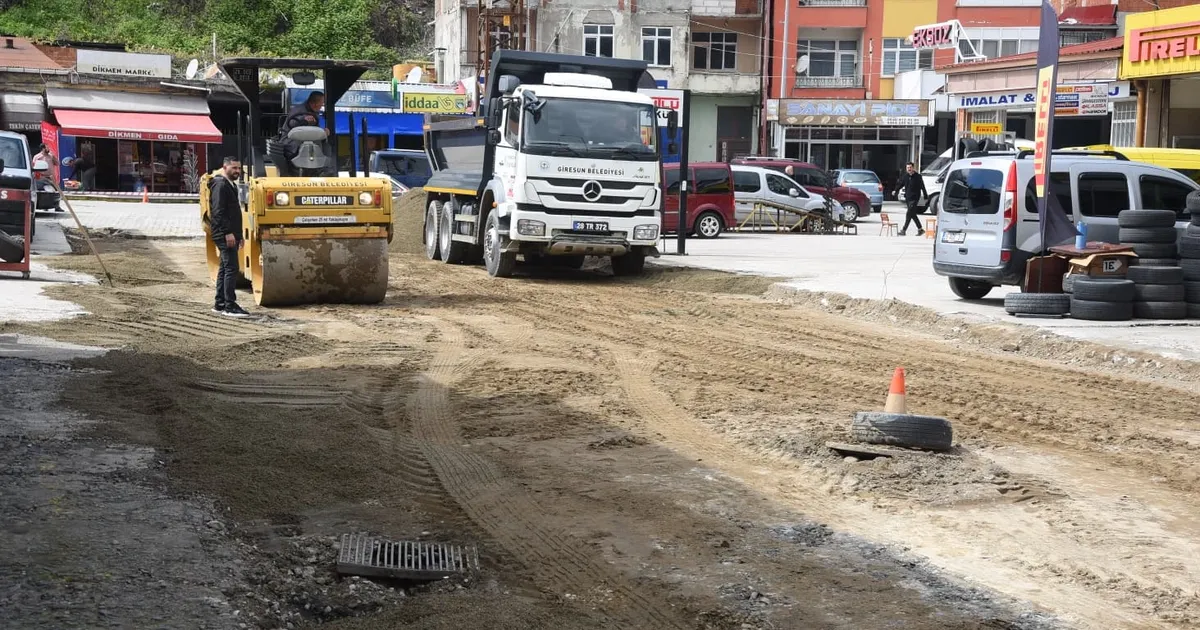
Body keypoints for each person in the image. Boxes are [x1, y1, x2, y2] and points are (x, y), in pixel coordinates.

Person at [208, 157, 250, 318]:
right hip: (224, 234)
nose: (237, 171)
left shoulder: (229, 184)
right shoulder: (220, 185)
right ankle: (229, 306)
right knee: (231, 268)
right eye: (234, 168)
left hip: (230, 233)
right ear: (224, 167)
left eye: (239, 168)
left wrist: (239, 235)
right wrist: (227, 233)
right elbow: (218, 212)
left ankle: (220, 304)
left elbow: (233, 212)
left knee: (225, 268)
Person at [895, 162, 928, 236]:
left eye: (910, 167)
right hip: (908, 198)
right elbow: (901, 184)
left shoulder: (918, 176)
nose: (909, 169)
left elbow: (922, 186)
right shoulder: (905, 176)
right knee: (912, 214)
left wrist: (925, 195)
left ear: (913, 168)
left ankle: (903, 230)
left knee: (909, 213)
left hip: (915, 198)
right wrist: (895, 190)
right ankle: (920, 229)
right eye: (907, 168)